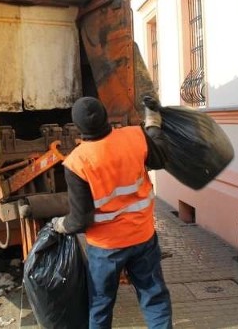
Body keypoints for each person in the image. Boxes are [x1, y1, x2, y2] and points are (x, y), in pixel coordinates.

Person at [52, 95, 172, 329]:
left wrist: (59, 224)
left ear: (77, 127)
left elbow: (80, 221)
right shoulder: (134, 136)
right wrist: (154, 123)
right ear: (106, 117)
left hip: (106, 248)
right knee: (154, 297)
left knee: (101, 304)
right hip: (142, 237)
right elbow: (160, 159)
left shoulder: (77, 162)